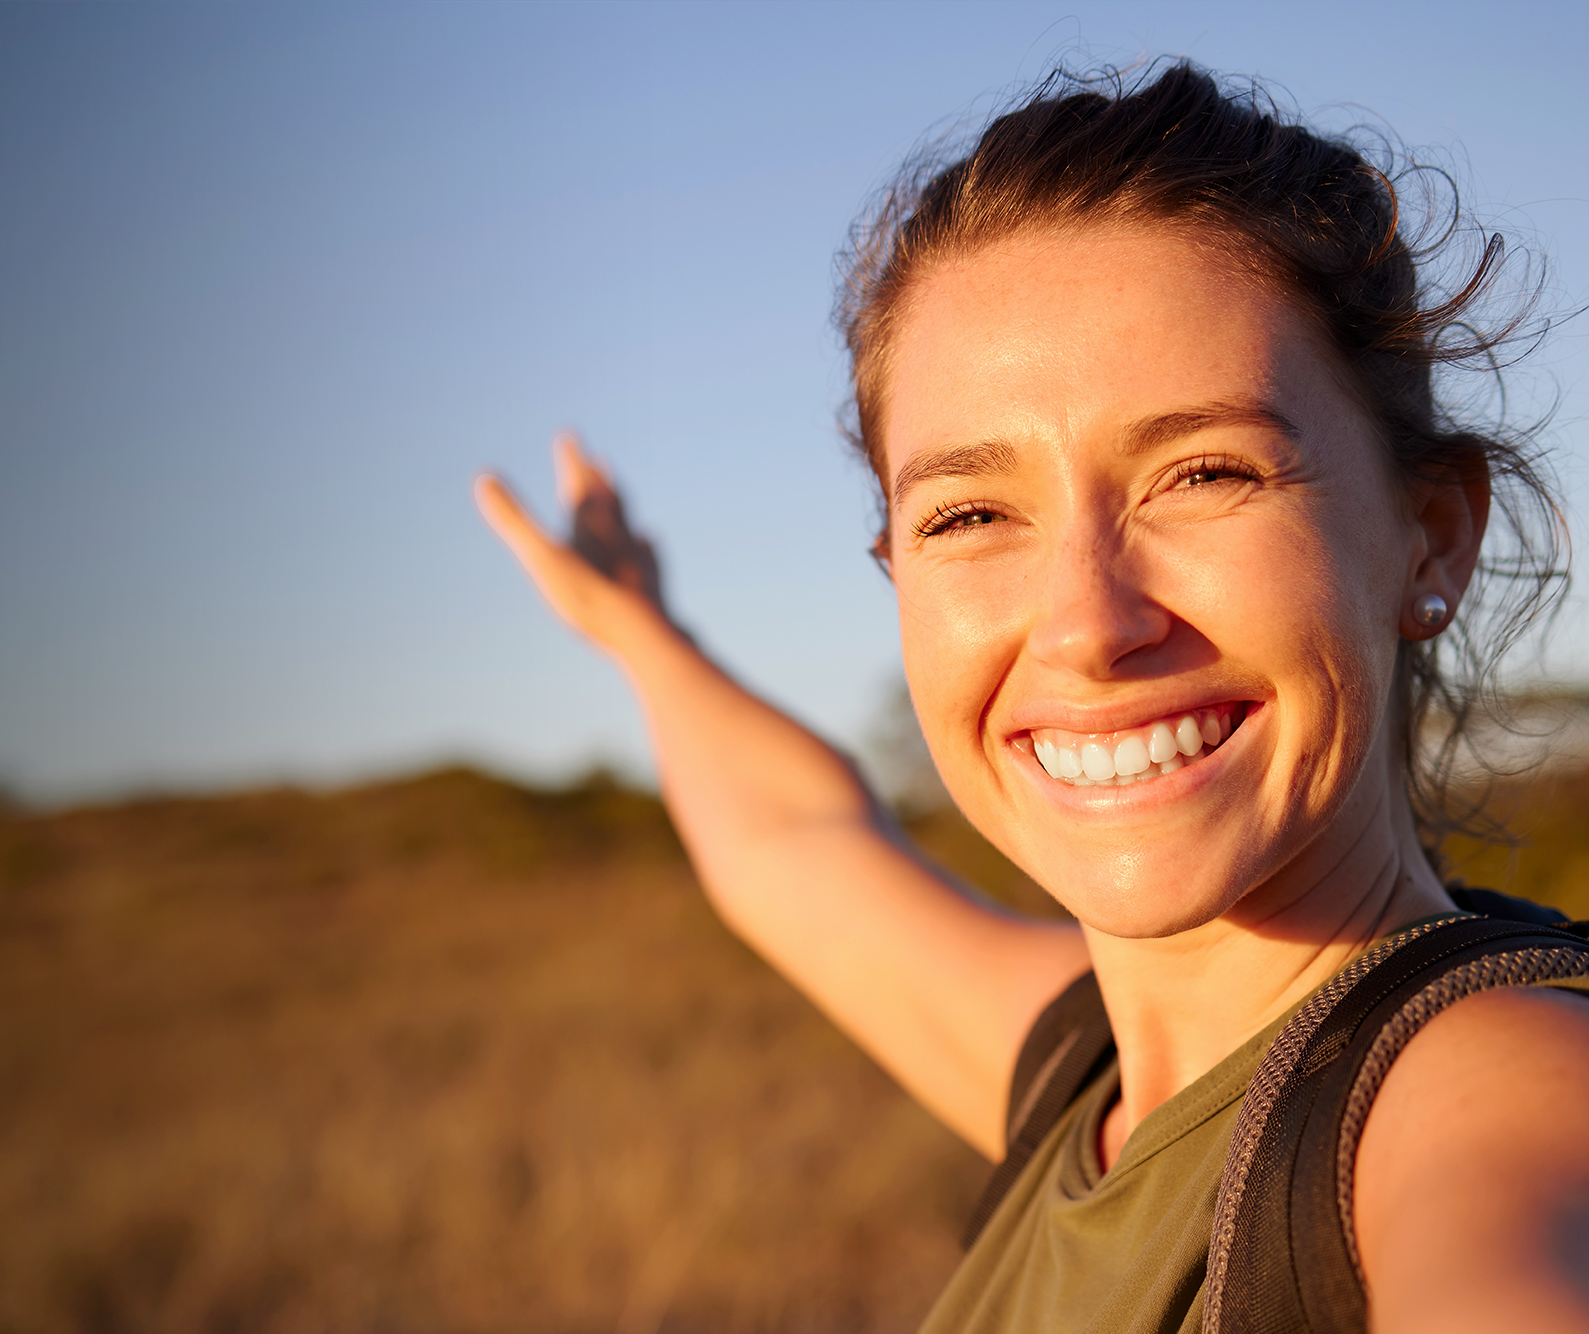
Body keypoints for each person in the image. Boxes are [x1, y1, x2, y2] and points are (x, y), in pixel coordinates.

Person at [473, 63, 1589, 1333]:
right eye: (969, 513)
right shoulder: (1086, 1074)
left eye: (1203, 472)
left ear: (1429, 535)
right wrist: (639, 633)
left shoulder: (1499, 1089)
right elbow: (795, 847)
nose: (1084, 622)